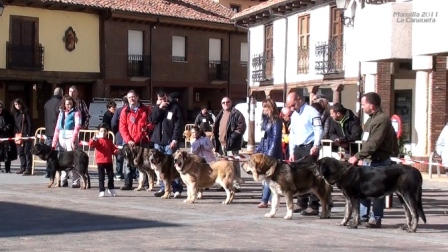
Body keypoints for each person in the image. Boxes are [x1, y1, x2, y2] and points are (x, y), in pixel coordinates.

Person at [348, 92, 398, 228]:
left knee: (377, 191)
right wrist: (362, 157)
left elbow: (374, 143)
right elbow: (366, 140)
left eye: (364, 104)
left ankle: (375, 217)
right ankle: (363, 216)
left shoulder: (382, 119)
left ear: (371, 105)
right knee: (363, 189)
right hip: (368, 160)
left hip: (379, 161)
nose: (362, 107)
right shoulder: (371, 119)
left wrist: (357, 156)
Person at [286, 90, 322, 216]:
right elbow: (293, 134)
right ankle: (301, 202)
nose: (291, 108)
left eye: (293, 105)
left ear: (299, 99)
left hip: (309, 146)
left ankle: (314, 205)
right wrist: (291, 151)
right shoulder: (294, 115)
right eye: (289, 106)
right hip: (298, 148)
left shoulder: (311, 111)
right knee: (298, 177)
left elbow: (318, 128)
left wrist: (316, 145)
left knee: (311, 177)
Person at [150, 90, 184, 198]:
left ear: (167, 98)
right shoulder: (156, 108)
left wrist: (175, 139)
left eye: (164, 99)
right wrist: (159, 108)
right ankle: (163, 188)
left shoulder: (174, 108)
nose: (163, 101)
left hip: (170, 141)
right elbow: (151, 120)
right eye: (160, 99)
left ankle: (177, 189)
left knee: (174, 165)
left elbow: (178, 125)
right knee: (160, 166)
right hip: (158, 141)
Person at [119, 90, 154, 190]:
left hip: (143, 140)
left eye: (133, 97)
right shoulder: (124, 111)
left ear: (137, 97)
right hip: (129, 141)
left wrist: (147, 128)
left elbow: (152, 122)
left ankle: (147, 183)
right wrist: (128, 139)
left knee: (145, 162)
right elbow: (122, 127)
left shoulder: (146, 109)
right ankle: (128, 183)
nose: (131, 99)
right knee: (128, 162)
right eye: (129, 97)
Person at [213, 97, 246, 192]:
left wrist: (233, 136)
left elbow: (242, 126)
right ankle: (224, 184)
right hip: (220, 144)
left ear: (231, 103)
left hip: (231, 144)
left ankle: (236, 185)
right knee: (222, 165)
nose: (225, 104)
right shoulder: (220, 113)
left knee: (234, 164)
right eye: (223, 102)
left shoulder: (236, 113)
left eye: (227, 102)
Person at [254, 99, 282, 208]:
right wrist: (258, 150)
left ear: (271, 108)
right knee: (266, 176)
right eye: (263, 107)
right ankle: (267, 199)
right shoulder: (265, 121)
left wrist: (270, 154)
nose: (264, 110)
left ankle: (266, 199)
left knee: (270, 176)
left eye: (266, 107)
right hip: (265, 149)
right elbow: (264, 138)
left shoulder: (276, 121)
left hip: (273, 152)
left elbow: (275, 139)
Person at [52, 95, 82, 186]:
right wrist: (54, 141)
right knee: (62, 160)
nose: (69, 106)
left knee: (73, 159)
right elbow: (57, 128)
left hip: (71, 135)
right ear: (64, 104)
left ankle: (75, 181)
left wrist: (73, 139)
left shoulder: (76, 112)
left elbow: (77, 126)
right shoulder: (61, 113)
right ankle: (63, 179)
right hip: (62, 136)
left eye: (71, 104)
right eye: (67, 104)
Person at [89, 123, 118, 197]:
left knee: (111, 176)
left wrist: (116, 151)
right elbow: (91, 144)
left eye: (105, 131)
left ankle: (111, 188)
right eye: (101, 131)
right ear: (99, 132)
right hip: (100, 161)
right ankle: (101, 190)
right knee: (101, 177)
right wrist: (94, 139)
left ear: (107, 132)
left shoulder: (109, 141)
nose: (103, 132)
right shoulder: (97, 140)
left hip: (108, 161)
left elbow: (113, 149)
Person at [43, 87, 63, 177]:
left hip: (48, 131)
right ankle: (59, 171)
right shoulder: (61, 103)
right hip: (57, 131)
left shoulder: (47, 103)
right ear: (61, 94)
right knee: (59, 153)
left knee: (49, 153)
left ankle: (48, 171)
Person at [11, 98, 33, 176]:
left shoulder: (25, 112)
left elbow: (30, 123)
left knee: (27, 151)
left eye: (19, 104)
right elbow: (15, 125)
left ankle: (28, 168)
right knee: (20, 152)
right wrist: (15, 133)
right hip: (18, 134)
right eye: (16, 104)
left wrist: (28, 133)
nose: (18, 106)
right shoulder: (15, 114)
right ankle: (22, 167)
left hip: (26, 134)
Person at [111, 96, 128, 180]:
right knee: (130, 154)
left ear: (122, 102)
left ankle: (119, 173)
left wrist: (115, 131)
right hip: (130, 135)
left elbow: (113, 123)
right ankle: (132, 174)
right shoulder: (133, 110)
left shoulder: (119, 110)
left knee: (119, 154)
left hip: (120, 134)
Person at [0, 100, 17, 173]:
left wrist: (7, 128)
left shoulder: (7, 114)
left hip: (7, 135)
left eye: (0, 107)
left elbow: (12, 123)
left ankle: (8, 168)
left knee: (7, 152)